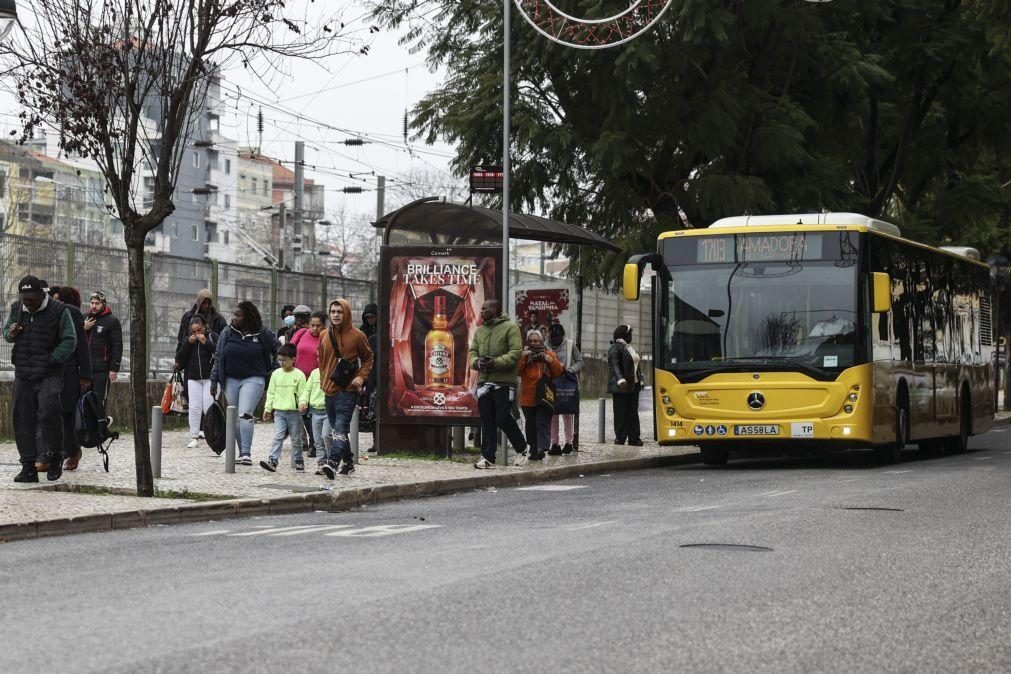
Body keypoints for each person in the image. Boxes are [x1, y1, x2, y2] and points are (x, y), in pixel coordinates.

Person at [3, 276, 77, 482]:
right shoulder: (17, 308)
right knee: (22, 418)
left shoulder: (59, 310)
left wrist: (53, 359)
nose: (28, 303)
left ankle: (54, 457)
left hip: (49, 373)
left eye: (32, 299)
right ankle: (28, 466)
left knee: (48, 412)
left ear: (41, 294)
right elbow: (6, 333)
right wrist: (11, 332)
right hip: (24, 373)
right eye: (25, 299)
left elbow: (70, 340)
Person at [209, 301, 279, 465]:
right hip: (230, 379)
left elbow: (279, 349)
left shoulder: (262, 333)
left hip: (254, 378)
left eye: (238, 315)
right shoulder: (227, 332)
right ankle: (242, 453)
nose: (234, 318)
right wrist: (214, 381)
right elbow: (218, 357)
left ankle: (246, 453)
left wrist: (273, 370)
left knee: (245, 414)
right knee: (234, 417)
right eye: (234, 314)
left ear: (248, 317)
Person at [316, 298, 373, 478]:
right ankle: (348, 462)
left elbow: (368, 358)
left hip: (347, 391)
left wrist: (361, 376)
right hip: (328, 389)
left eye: (339, 312)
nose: (336, 315)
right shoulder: (324, 334)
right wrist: (323, 381)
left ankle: (332, 462)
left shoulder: (358, 335)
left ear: (346, 313)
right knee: (336, 429)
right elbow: (321, 359)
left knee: (340, 429)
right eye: (333, 312)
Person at [469, 298, 527, 469]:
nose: (481, 311)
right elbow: (472, 352)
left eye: (485, 308)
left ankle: (522, 448)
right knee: (487, 420)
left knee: (502, 417)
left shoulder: (511, 327)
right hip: (484, 382)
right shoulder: (480, 331)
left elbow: (516, 352)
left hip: (504, 382)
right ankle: (488, 458)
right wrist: (477, 363)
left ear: (494, 309)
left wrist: (496, 362)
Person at [47, 286, 92, 472]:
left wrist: (85, 374)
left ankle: (73, 451)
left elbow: (82, 344)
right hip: (47, 369)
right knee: (48, 414)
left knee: (66, 414)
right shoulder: (43, 313)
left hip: (69, 371)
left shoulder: (72, 313)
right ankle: (54, 454)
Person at [261, 344, 308, 472]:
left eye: (284, 360)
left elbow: (303, 392)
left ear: (293, 359)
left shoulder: (299, 375)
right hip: (279, 412)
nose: (281, 362)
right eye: (279, 360)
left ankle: (298, 460)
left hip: (294, 413)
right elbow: (271, 393)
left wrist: (303, 403)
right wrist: (268, 409)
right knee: (278, 436)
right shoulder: (276, 374)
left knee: (295, 438)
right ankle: (273, 460)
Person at [518, 330, 562, 462]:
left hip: (544, 396)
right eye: (530, 341)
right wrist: (523, 357)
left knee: (542, 422)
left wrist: (551, 361)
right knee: (530, 425)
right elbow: (517, 371)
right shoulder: (524, 355)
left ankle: (541, 448)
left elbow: (558, 372)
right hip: (528, 397)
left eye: (536, 341)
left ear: (541, 341)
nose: (533, 343)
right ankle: (533, 448)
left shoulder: (549, 354)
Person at [174, 315, 218, 449]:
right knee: (194, 407)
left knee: (208, 406)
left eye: (199, 330)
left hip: (210, 377)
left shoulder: (212, 336)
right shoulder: (187, 341)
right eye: (193, 332)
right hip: (193, 377)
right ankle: (194, 436)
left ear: (204, 327)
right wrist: (188, 343)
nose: (196, 334)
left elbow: (219, 352)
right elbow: (179, 359)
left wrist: (206, 343)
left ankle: (213, 435)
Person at [290, 310, 325, 457]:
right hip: (299, 378)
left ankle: (315, 443)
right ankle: (312, 440)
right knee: (303, 411)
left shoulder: (326, 337)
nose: (315, 329)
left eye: (318, 326)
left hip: (317, 379)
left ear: (324, 326)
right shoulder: (302, 333)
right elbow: (290, 349)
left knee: (315, 411)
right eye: (313, 325)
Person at [547, 322, 583, 455]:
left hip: (567, 383)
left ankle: (569, 442)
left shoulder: (570, 344)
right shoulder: (545, 346)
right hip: (551, 384)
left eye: (558, 337)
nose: (555, 340)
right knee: (552, 414)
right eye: (552, 337)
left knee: (568, 413)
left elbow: (580, 362)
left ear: (562, 336)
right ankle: (554, 443)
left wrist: (570, 370)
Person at [84, 290, 123, 404]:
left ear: (104, 304)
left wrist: (114, 369)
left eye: (97, 303)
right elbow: (76, 340)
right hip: (85, 369)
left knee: (99, 401)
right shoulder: (85, 318)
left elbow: (117, 346)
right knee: (84, 400)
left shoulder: (112, 321)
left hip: (102, 369)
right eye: (92, 303)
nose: (94, 306)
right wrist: (83, 328)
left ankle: (100, 421)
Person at [608, 324, 644, 446]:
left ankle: (634, 437)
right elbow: (615, 365)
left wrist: (641, 379)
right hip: (621, 386)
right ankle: (620, 437)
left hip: (634, 385)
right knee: (621, 412)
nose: (632, 337)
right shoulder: (615, 347)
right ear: (625, 335)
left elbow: (636, 364)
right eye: (630, 334)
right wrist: (621, 379)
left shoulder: (629, 348)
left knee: (633, 412)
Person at [359, 303, 379, 448]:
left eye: (373, 317)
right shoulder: (363, 332)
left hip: (378, 369)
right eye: (368, 318)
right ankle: (375, 440)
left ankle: (377, 440)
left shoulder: (381, 330)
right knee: (370, 404)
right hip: (369, 369)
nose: (370, 320)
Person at [306, 366, 334, 470]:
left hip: (328, 410)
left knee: (326, 435)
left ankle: (332, 460)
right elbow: (307, 389)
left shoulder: (333, 371)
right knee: (317, 440)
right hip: (315, 411)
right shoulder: (314, 373)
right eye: (318, 356)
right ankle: (321, 462)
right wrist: (303, 401)